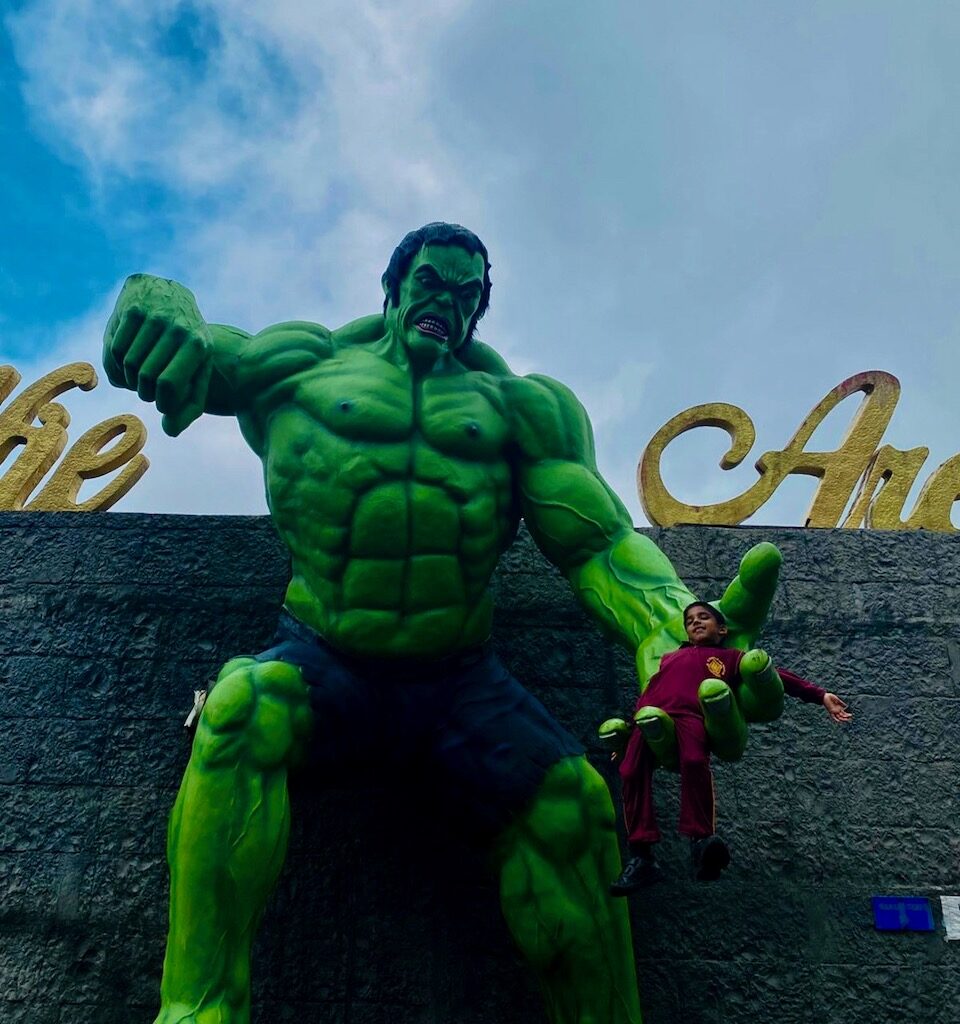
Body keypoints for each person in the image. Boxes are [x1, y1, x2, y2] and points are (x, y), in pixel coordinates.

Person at [103, 222, 783, 1024]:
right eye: (431, 282)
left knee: (572, 804)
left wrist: (669, 625)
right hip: (325, 661)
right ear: (395, 284)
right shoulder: (303, 365)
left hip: (458, 684)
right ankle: (197, 1010)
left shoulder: (520, 408)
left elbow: (598, 542)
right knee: (239, 709)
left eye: (468, 295)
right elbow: (197, 352)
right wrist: (156, 299)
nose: (447, 304)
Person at [610, 601, 852, 895]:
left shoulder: (729, 658)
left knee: (694, 761)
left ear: (722, 629)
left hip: (691, 717)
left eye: (704, 617)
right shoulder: (669, 659)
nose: (696, 622)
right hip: (650, 718)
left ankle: (701, 842)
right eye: (690, 620)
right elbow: (649, 693)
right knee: (630, 771)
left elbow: (774, 675)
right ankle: (641, 855)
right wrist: (628, 732)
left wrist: (819, 695)